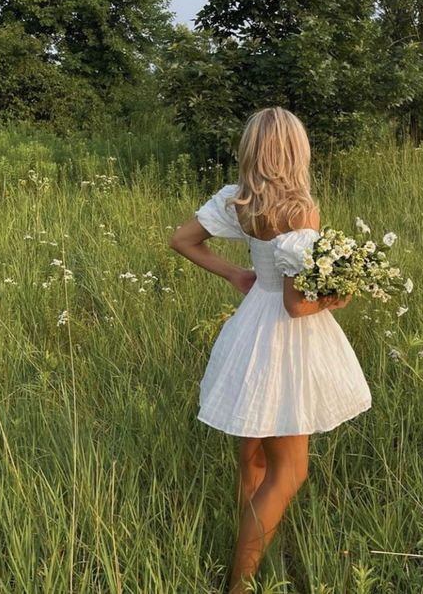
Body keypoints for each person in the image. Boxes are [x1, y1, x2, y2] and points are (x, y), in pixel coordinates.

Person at [170, 107, 372, 593]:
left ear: (254, 152)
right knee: (291, 470)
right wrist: (336, 296)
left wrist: (238, 274)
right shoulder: (301, 211)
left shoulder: (239, 201)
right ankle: (240, 584)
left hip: (250, 330)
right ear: (295, 152)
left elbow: (182, 240)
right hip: (286, 338)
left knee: (254, 455)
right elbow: (297, 307)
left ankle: (253, 542)